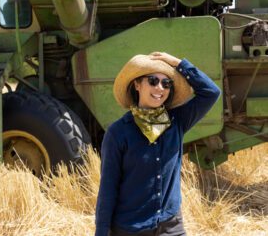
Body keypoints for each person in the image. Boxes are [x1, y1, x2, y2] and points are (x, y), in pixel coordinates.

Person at [95, 52, 221, 236]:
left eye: (166, 83)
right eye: (153, 80)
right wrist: (101, 231)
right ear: (137, 84)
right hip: (131, 228)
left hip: (171, 226)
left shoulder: (177, 121)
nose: (160, 88)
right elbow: (108, 188)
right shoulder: (118, 132)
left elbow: (211, 92)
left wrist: (177, 63)